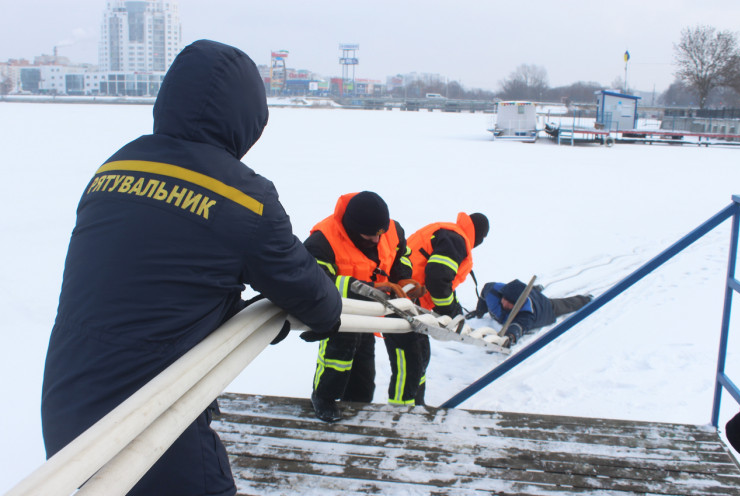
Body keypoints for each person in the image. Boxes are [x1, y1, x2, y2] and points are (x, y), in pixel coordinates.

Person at [40, 40, 342, 496]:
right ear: (249, 119)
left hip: (65, 407)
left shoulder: (115, 167)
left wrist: (226, 310)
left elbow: (149, 283)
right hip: (154, 420)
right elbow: (317, 301)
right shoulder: (244, 198)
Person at [304, 191, 417, 421]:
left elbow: (401, 255)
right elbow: (315, 282)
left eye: (380, 234)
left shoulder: (391, 230)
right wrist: (368, 289)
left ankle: (359, 404)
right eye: (369, 236)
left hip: (370, 314)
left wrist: (403, 278)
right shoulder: (322, 241)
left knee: (364, 373)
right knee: (337, 358)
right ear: (352, 228)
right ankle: (323, 397)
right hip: (339, 314)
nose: (377, 241)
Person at [406, 212, 491, 403]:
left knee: (418, 356)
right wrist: (448, 312)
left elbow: (444, 282)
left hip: (407, 296)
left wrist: (455, 308)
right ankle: (411, 409)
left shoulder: (450, 233)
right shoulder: (456, 239)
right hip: (407, 300)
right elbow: (437, 279)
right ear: (479, 236)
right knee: (417, 357)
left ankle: (414, 405)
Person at [475, 279, 592, 346]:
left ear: (518, 305)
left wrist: (511, 336)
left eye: (510, 303)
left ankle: (585, 300)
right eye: (504, 299)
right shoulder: (494, 290)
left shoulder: (527, 313)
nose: (505, 304)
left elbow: (520, 326)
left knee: (565, 305)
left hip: (545, 306)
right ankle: (535, 289)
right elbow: (485, 292)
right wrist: (480, 309)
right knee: (525, 290)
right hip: (527, 294)